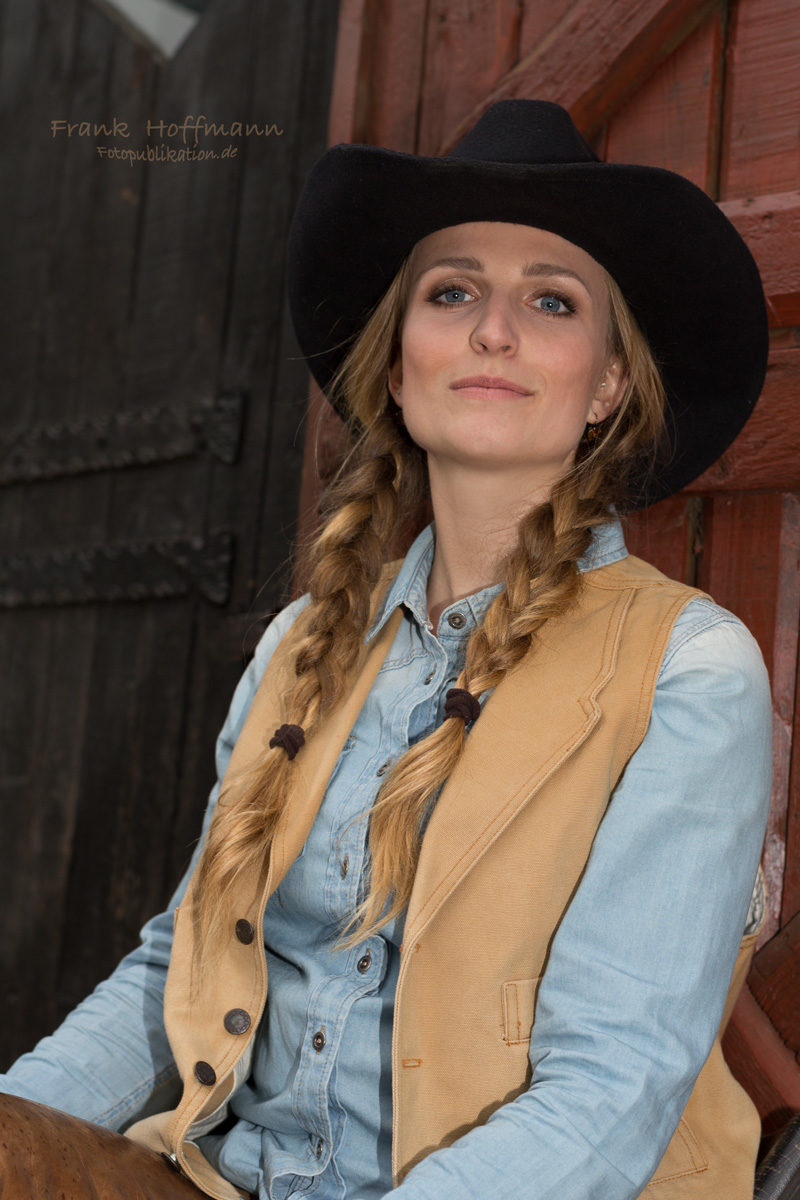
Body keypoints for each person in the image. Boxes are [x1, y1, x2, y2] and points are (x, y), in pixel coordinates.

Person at [0, 99, 773, 1200]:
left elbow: (612, 1083)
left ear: (605, 385)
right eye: (450, 292)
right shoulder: (299, 648)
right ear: (400, 369)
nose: (491, 329)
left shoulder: (687, 671)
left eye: (549, 301)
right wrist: (17, 1131)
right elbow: (171, 970)